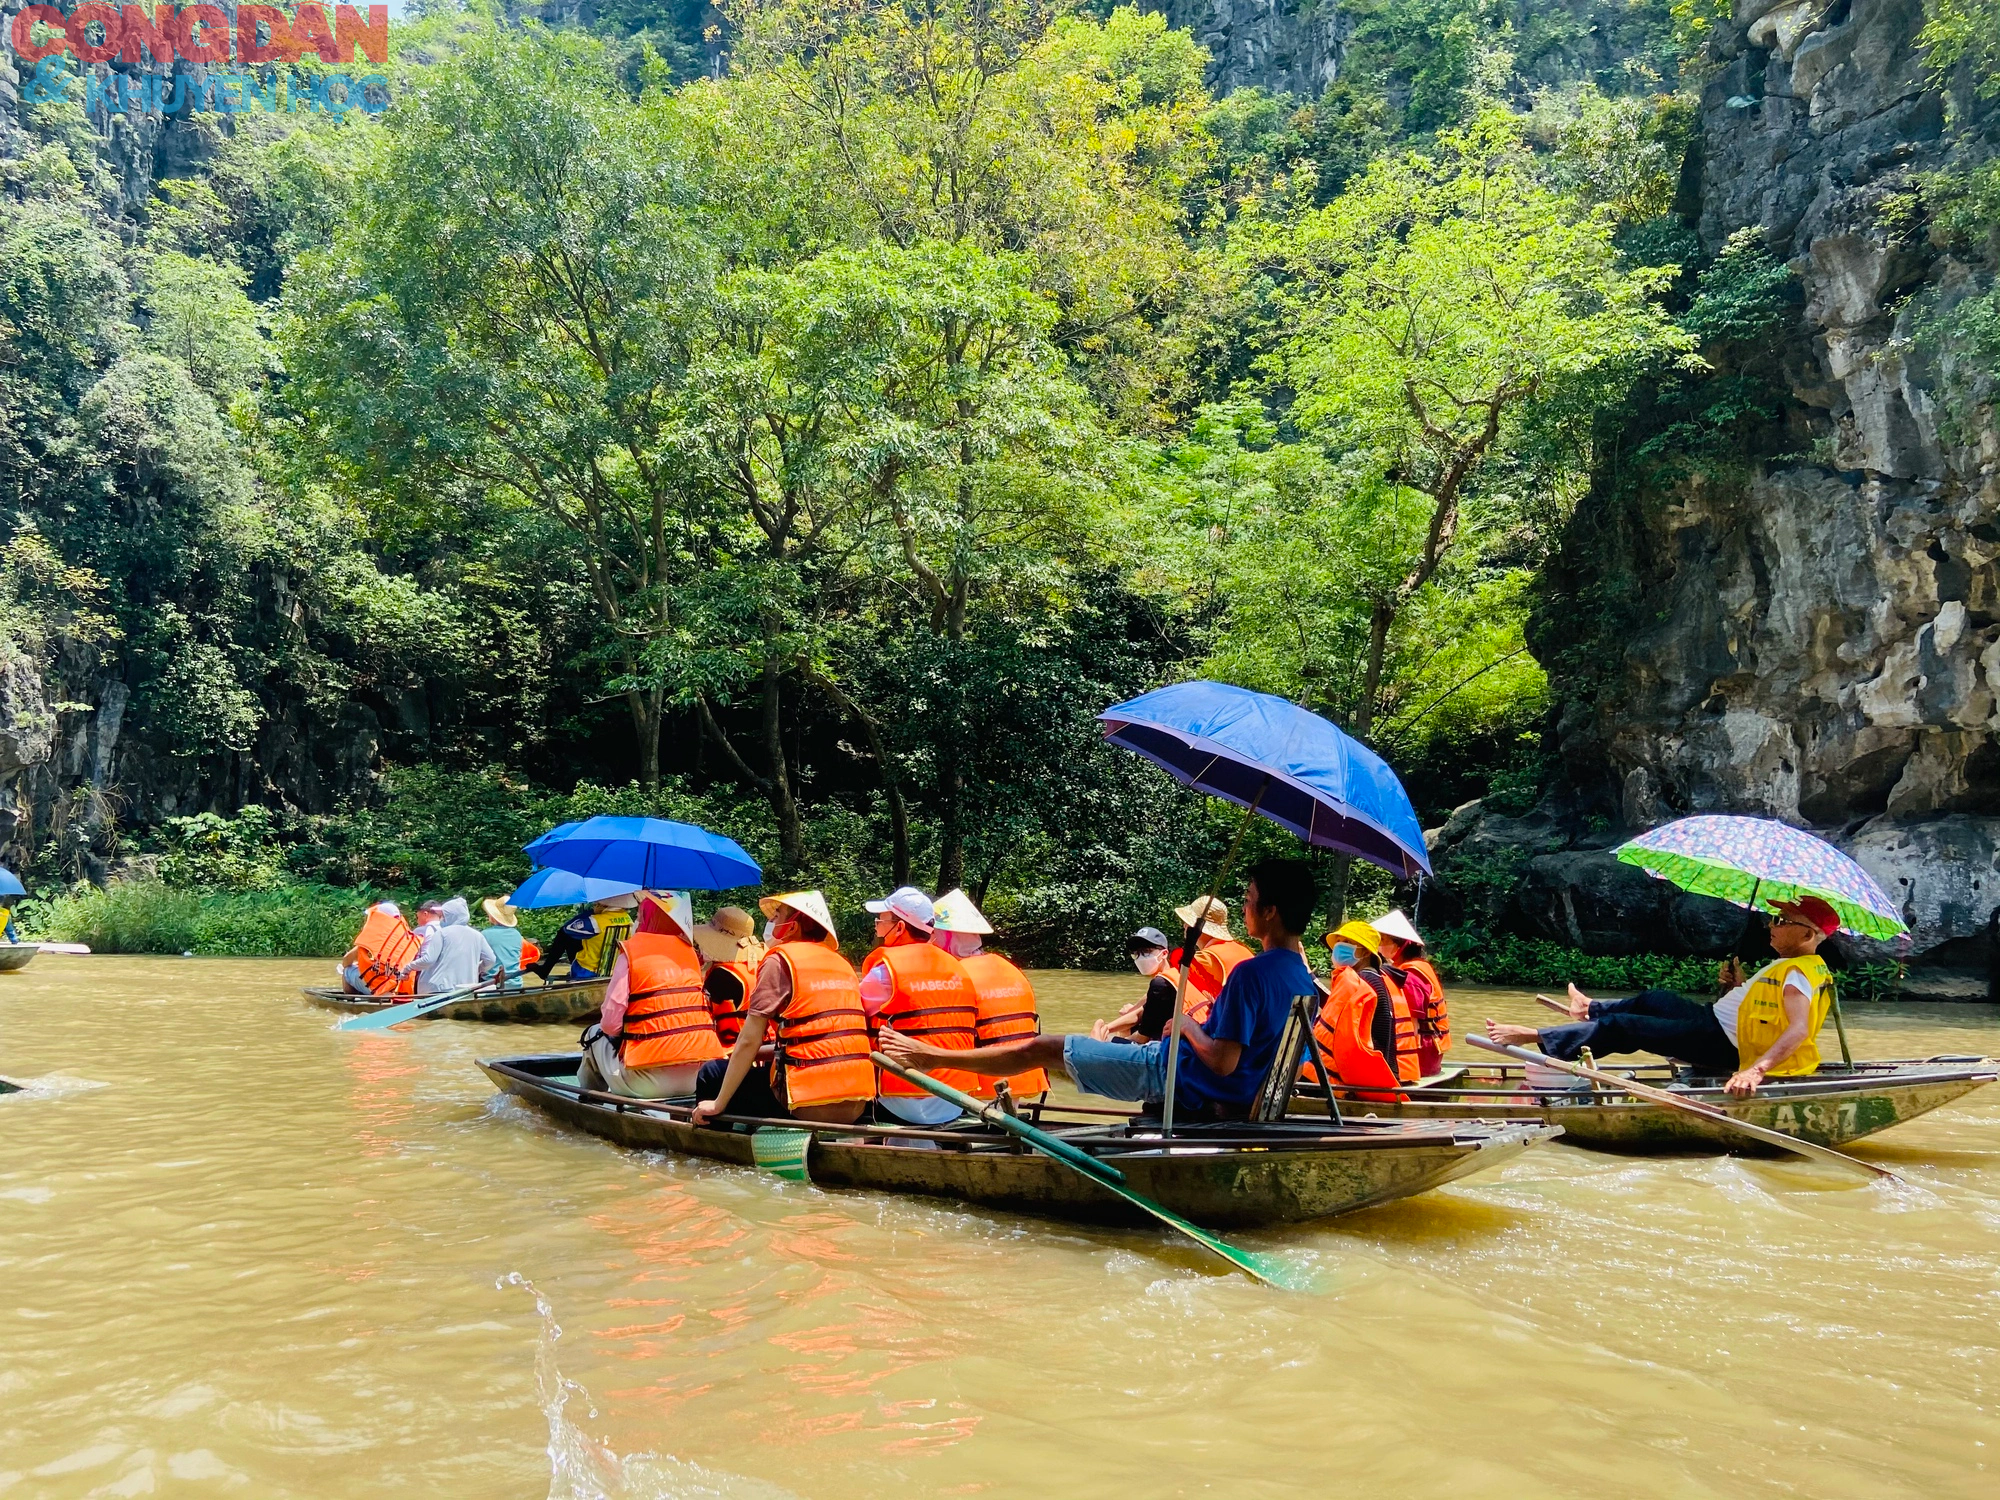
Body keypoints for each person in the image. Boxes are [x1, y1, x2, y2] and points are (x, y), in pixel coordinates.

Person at [882, 859, 1320, 1122]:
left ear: (1270, 911)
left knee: (1041, 1047)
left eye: (1247, 899)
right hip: (1210, 1084)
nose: (1244, 907)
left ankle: (927, 1058)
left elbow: (1223, 1061)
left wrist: (1186, 1026)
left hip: (1170, 1074)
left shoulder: (1252, 974)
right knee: (1064, 1055)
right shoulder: (1304, 979)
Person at [1484, 896, 1842, 1097]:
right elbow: (1765, 1008)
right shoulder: (1790, 964)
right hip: (1713, 1022)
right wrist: (1737, 986)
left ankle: (1534, 1036)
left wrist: (1755, 1071)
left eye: (1782, 921)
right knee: (1655, 998)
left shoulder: (1798, 971)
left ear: (1808, 935)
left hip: (1725, 1044)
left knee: (1628, 1027)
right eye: (1774, 919)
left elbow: (1798, 1029)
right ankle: (1588, 1007)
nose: (1772, 925)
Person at [692, 891, 876, 1125]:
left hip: (806, 1104)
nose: (771, 923)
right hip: (857, 1103)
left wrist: (718, 1103)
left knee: (712, 1073)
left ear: (792, 927)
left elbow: (749, 1040)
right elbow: (819, 1039)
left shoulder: (779, 960)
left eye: (777, 916)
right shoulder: (843, 964)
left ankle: (719, 1148)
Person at [579, 892, 725, 1099]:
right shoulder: (690, 953)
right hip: (696, 1080)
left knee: (593, 1034)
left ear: (644, 917)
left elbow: (610, 1025)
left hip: (645, 1084)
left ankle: (588, 1100)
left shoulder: (631, 953)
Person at [859, 885, 979, 1124]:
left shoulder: (886, 972)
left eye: (881, 920)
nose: (878, 927)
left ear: (900, 927)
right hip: (956, 1099)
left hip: (902, 1100)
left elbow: (851, 1015)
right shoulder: (959, 967)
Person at [930, 888, 1048, 1100]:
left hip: (981, 1086)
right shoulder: (1007, 967)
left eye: (932, 935)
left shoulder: (957, 976)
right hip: (1021, 1079)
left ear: (946, 937)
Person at [1308, 920, 1419, 1102]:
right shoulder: (1374, 978)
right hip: (1381, 1077)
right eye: (1338, 942)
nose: (1339, 948)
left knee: (1304, 1066)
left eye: (1348, 942)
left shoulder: (1363, 982)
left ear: (1366, 952)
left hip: (1366, 1083)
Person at [1374, 908, 1450, 1076]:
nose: (1379, 945)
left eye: (1383, 940)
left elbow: (1412, 1027)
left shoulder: (1410, 975)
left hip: (1421, 1054)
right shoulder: (1409, 968)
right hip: (1428, 1051)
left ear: (1400, 945)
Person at [1170, 897, 1256, 1027]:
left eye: (1188, 922)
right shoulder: (1240, 949)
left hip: (1230, 1033)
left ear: (1199, 928)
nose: (1184, 925)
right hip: (1249, 1027)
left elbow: (1169, 981)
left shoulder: (1207, 958)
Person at [692, 905, 765, 1048]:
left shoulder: (722, 975)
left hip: (730, 1052)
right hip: (762, 1046)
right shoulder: (761, 965)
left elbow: (700, 1014)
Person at [1091, 927, 1179, 1043]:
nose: (1141, 957)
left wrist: (1107, 1040)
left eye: (1146, 951)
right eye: (1136, 953)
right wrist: (1107, 1028)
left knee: (1103, 1042)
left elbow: (1141, 1039)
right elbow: (1139, 1011)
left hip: (1162, 1050)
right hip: (1171, 1044)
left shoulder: (1161, 984)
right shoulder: (1173, 976)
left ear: (1164, 954)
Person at [406, 897, 501, 995]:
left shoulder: (441, 933)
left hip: (438, 989)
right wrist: (478, 969)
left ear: (451, 916)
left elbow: (429, 960)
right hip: (467, 988)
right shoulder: (477, 935)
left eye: (443, 915)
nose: (441, 919)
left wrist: (408, 967)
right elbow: (491, 960)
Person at [535, 897, 635, 982]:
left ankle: (546, 968)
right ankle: (545, 969)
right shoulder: (628, 919)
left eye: (596, 904)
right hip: (615, 970)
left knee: (564, 934)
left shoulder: (596, 922)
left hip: (588, 970)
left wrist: (589, 914)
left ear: (602, 905)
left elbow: (567, 929)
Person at [338, 900, 417, 994]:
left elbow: (346, 961)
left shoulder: (375, 936)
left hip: (381, 987)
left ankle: (350, 1002)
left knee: (347, 970)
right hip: (401, 985)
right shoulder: (407, 935)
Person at [479, 897, 527, 989]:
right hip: (516, 982)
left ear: (493, 916)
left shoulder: (485, 934)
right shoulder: (517, 934)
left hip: (491, 983)